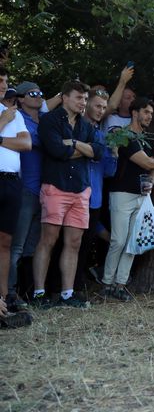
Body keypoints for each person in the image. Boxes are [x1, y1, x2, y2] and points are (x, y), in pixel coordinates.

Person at [32, 80, 104, 308]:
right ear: (64, 97)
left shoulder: (85, 125)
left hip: (80, 190)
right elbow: (56, 150)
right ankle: (39, 294)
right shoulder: (50, 120)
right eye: (78, 97)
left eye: (85, 98)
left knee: (74, 242)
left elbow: (98, 152)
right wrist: (84, 149)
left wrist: (73, 143)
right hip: (56, 187)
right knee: (48, 240)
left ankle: (67, 293)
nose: (83, 102)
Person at [101, 98, 154, 301]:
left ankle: (120, 285)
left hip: (141, 196)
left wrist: (151, 182)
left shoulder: (146, 139)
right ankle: (107, 284)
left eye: (151, 113)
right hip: (121, 193)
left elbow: (151, 169)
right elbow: (147, 162)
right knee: (118, 240)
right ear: (134, 113)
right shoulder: (124, 136)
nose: (149, 116)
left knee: (132, 242)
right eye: (146, 112)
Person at [76, 89, 117, 289]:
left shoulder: (101, 135)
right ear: (86, 105)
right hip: (74, 195)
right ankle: (58, 288)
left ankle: (78, 284)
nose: (101, 110)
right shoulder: (75, 129)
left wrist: (114, 152)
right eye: (97, 106)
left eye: (104, 107)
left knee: (85, 244)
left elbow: (109, 171)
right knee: (69, 244)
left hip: (95, 198)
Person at [8, 81, 45, 307]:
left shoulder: (44, 119)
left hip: (45, 192)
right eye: (33, 93)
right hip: (25, 190)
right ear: (21, 99)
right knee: (16, 247)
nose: (38, 96)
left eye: (41, 93)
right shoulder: (18, 119)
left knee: (33, 246)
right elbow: (37, 141)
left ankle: (28, 293)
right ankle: (10, 294)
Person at [0, 68, 32, 307]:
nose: (3, 85)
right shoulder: (7, 115)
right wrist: (2, 121)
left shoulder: (14, 113)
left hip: (11, 181)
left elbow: (26, 143)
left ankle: (4, 296)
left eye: (5, 81)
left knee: (5, 241)